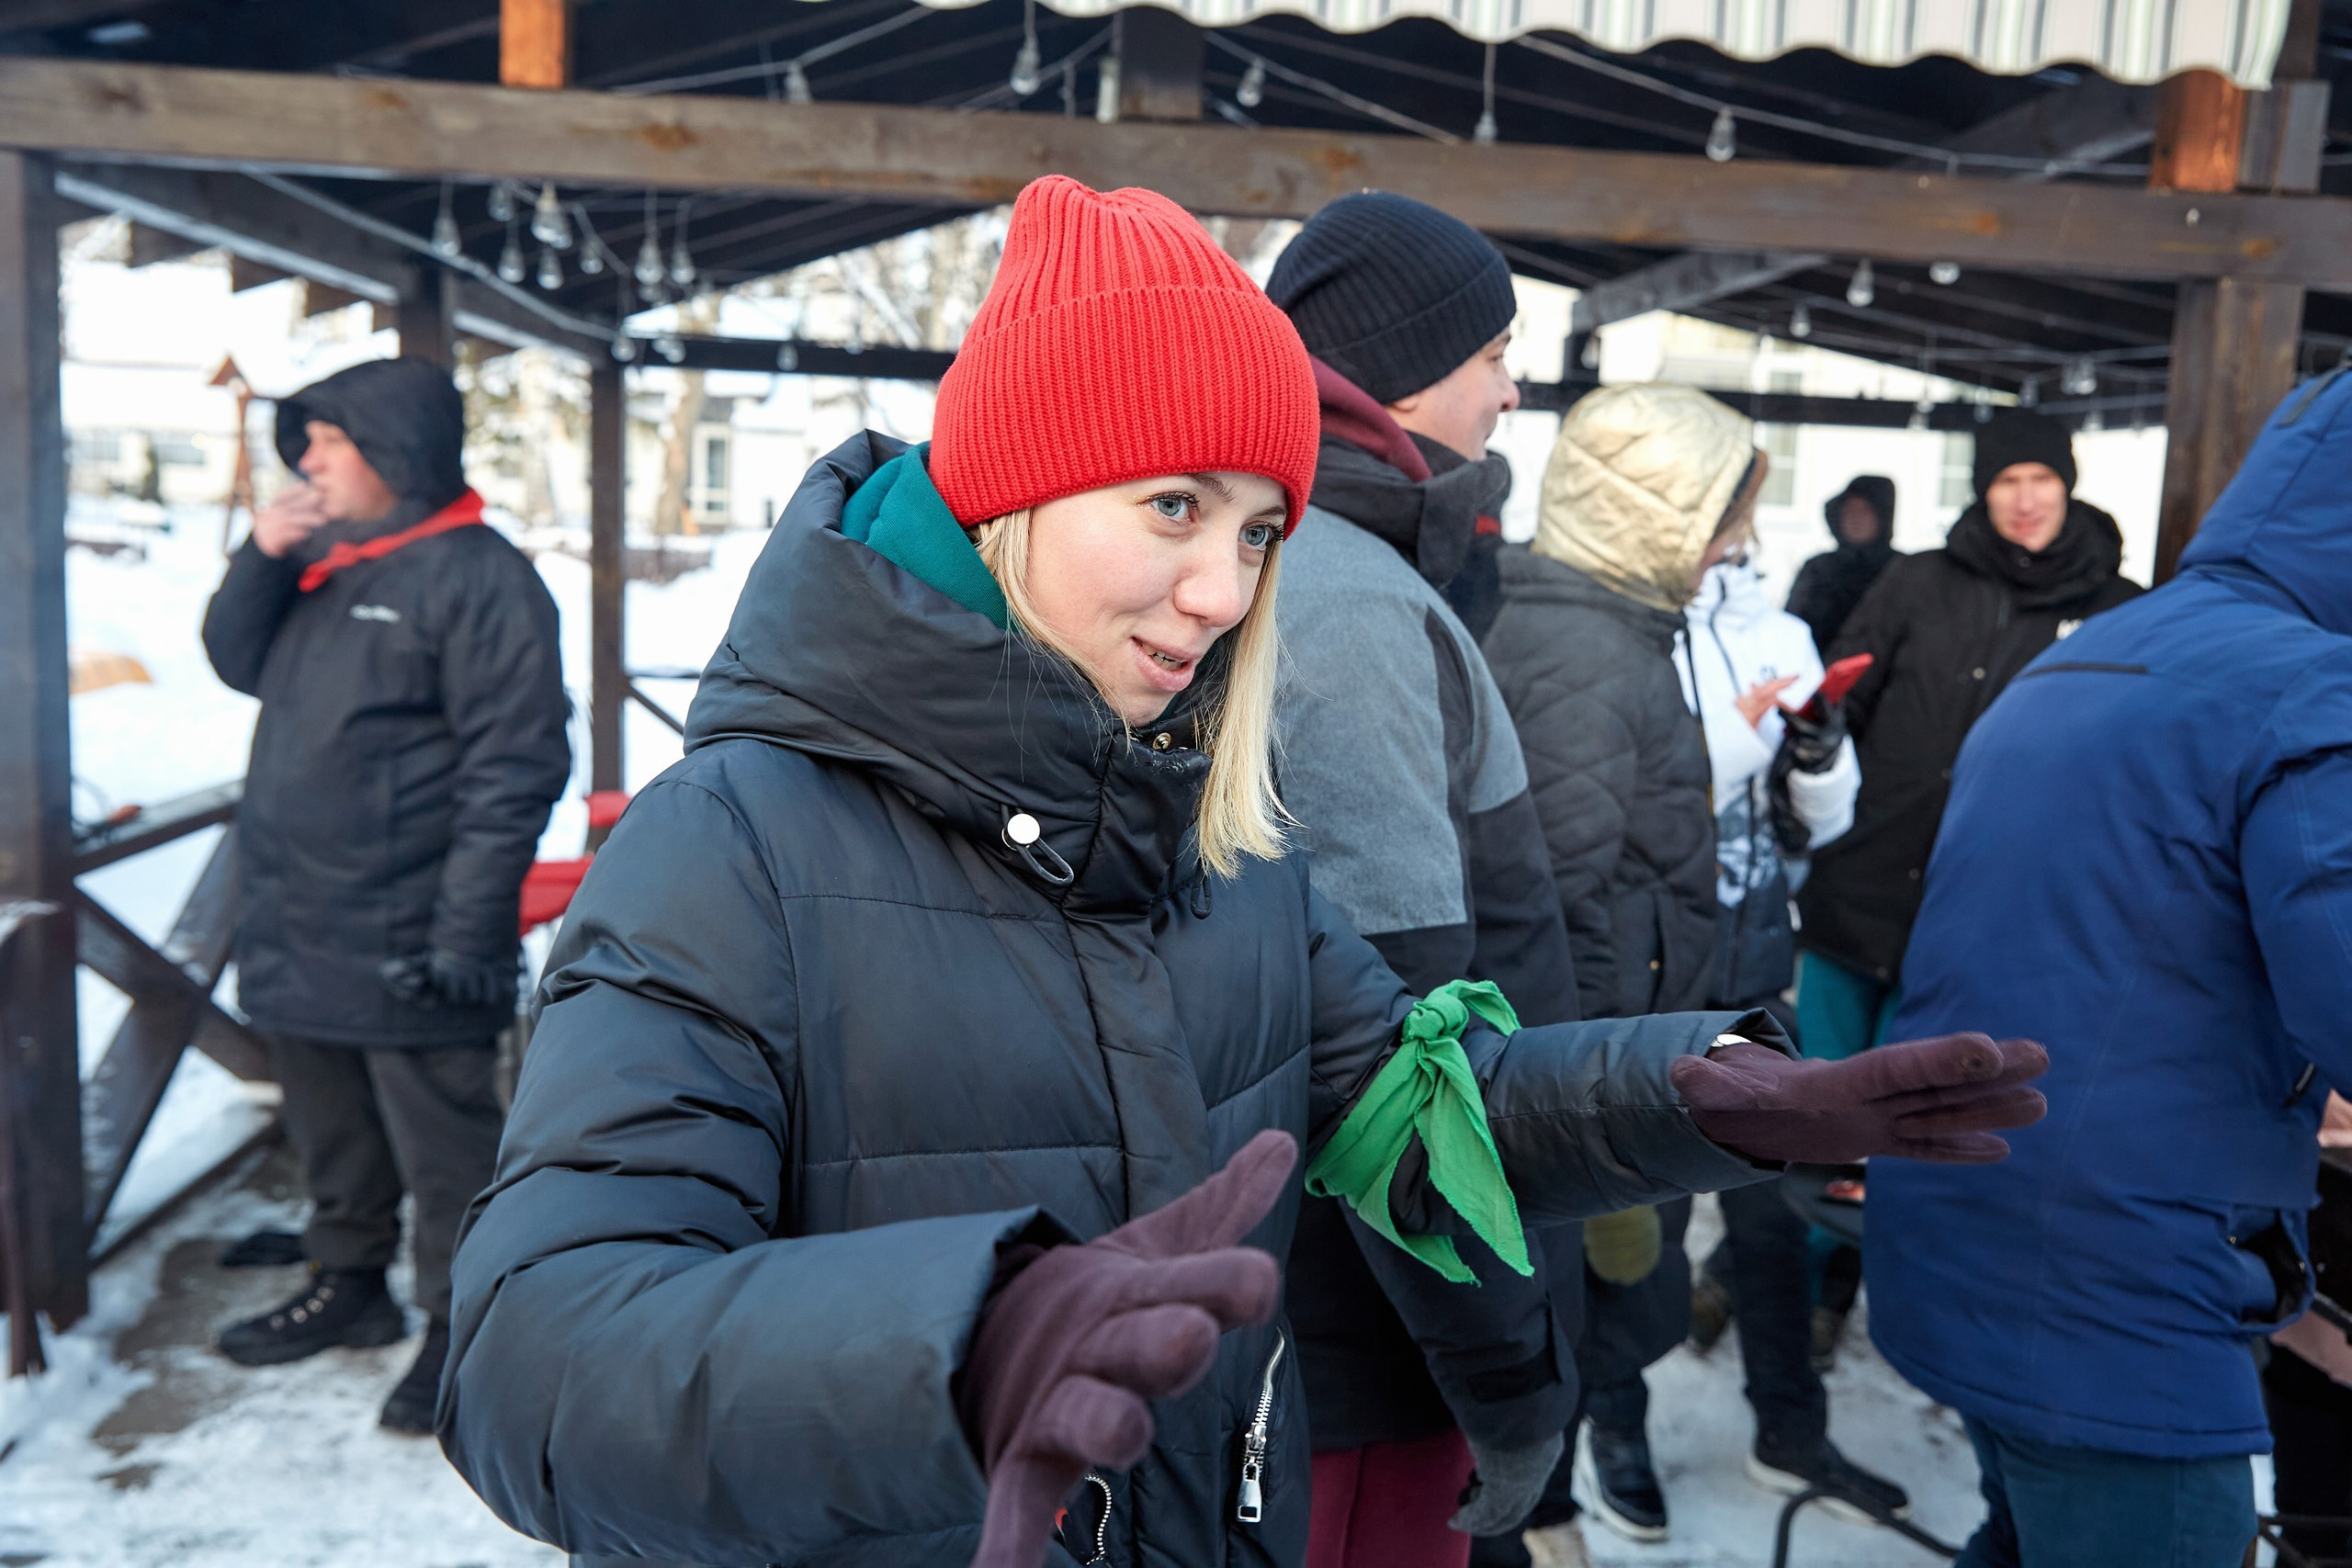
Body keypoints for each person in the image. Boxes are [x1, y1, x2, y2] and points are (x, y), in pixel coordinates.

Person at [435, 177, 2049, 1568]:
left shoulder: (1208, 834)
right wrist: (958, 1348)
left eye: (1263, 528)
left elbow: (1420, 1104)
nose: (1220, 589)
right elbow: (529, 1353)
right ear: (1013, 483)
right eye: (1172, 506)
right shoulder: (734, 843)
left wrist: (1694, 1096)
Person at [1863, 371, 2352, 1568]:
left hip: (1972, 1220)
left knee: (2024, 1531)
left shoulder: (2098, 650)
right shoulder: (2307, 684)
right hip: (2118, 1286)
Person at [1264, 192, 1582, 1568]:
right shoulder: (1341, 602)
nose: (1515, 385)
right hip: (1371, 1329)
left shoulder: (1343, 568)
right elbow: (1400, 1056)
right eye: (1494, 351)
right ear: (1402, 361)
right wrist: (1505, 1370)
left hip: (1352, 1309)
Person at [199, 356, 570, 1433]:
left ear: (395, 453)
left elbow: (517, 766)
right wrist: (262, 557)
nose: (307, 460)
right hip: (300, 923)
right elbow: (235, 659)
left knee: (447, 1155)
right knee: (334, 1139)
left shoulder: (482, 576)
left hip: (414, 935)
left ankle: (463, 1330)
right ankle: (349, 1286)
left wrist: (466, 933)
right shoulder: (326, 563)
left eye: (329, 441)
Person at [1477, 383, 1762, 1546]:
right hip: (1596, 1073)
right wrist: (1600, 1123)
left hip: (1626, 1049)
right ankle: (1540, 1506)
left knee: (1607, 1304)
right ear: (1653, 512)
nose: (1737, 544)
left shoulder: (1614, 628)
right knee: (1583, 1300)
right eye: (1721, 516)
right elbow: (1554, 904)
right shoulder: (1584, 653)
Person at [1672, 545, 1909, 1518]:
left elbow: (1821, 819)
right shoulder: (1637, 629)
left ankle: (1790, 1430)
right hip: (1648, 968)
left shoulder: (1784, 635)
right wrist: (1732, 739)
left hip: (1760, 958)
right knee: (1625, 1230)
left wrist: (1813, 749)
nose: (1734, 535)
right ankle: (1589, 1456)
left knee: (1771, 1212)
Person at [1794, 412, 2139, 1062]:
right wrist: (1808, 750)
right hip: (1863, 867)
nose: (2026, 498)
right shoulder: (1919, 580)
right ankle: (1818, 1167)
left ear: (2068, 483)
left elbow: (2129, 762)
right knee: (1818, 1087)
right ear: (1984, 488)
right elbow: (1842, 701)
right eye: (2008, 480)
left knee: (1923, 1095)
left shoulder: (2116, 607)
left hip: (1992, 891)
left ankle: (1880, 1170)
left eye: (2042, 477)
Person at [1786, 475, 1896, 654]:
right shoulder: (1818, 568)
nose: (1855, 518)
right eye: (1849, 510)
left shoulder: (1901, 570)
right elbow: (1792, 627)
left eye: (1865, 511)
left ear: (1882, 517)